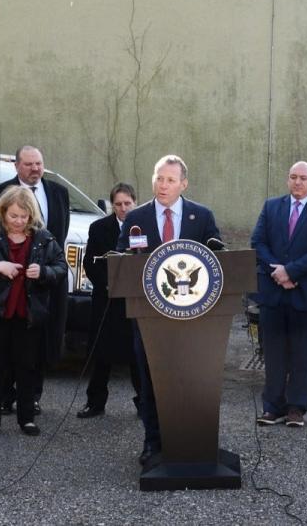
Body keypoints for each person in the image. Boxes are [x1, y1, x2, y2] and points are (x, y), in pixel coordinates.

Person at [116, 154, 221, 465]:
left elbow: (218, 257)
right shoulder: (137, 217)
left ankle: (188, 441)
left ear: (183, 184)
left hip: (192, 318)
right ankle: (153, 442)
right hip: (148, 317)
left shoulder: (201, 217)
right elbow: (121, 257)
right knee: (151, 380)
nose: (163, 185)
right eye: (159, 178)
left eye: (170, 180)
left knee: (188, 380)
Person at [0, 186, 67, 436]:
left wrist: (43, 272)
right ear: (2, 212)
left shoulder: (44, 238)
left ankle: (27, 418)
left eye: (25, 217)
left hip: (29, 314)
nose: (19, 222)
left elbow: (61, 267)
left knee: (27, 366)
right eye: (14, 216)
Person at [251, 161, 307, 429]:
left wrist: (291, 272)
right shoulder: (271, 207)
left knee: (302, 354)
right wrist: (277, 271)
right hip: (273, 293)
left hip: (306, 293)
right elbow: (258, 242)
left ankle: (296, 409)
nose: (297, 182)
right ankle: (272, 408)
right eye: (293, 177)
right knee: (274, 353)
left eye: (303, 178)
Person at [0, 145, 70, 416]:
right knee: (5, 345)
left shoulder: (59, 193)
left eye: (39, 164)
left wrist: (46, 271)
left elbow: (59, 237)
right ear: (17, 165)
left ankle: (31, 397)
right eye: (29, 164)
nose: (35, 169)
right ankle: (5, 397)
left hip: (44, 282)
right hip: (7, 285)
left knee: (38, 343)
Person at [77, 183, 141, 419]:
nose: (123, 208)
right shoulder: (99, 228)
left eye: (127, 203)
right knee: (101, 353)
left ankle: (144, 403)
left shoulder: (143, 226)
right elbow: (90, 263)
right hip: (107, 298)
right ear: (111, 205)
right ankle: (95, 403)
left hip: (135, 299)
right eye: (118, 204)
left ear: (135, 202)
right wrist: (108, 284)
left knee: (137, 354)